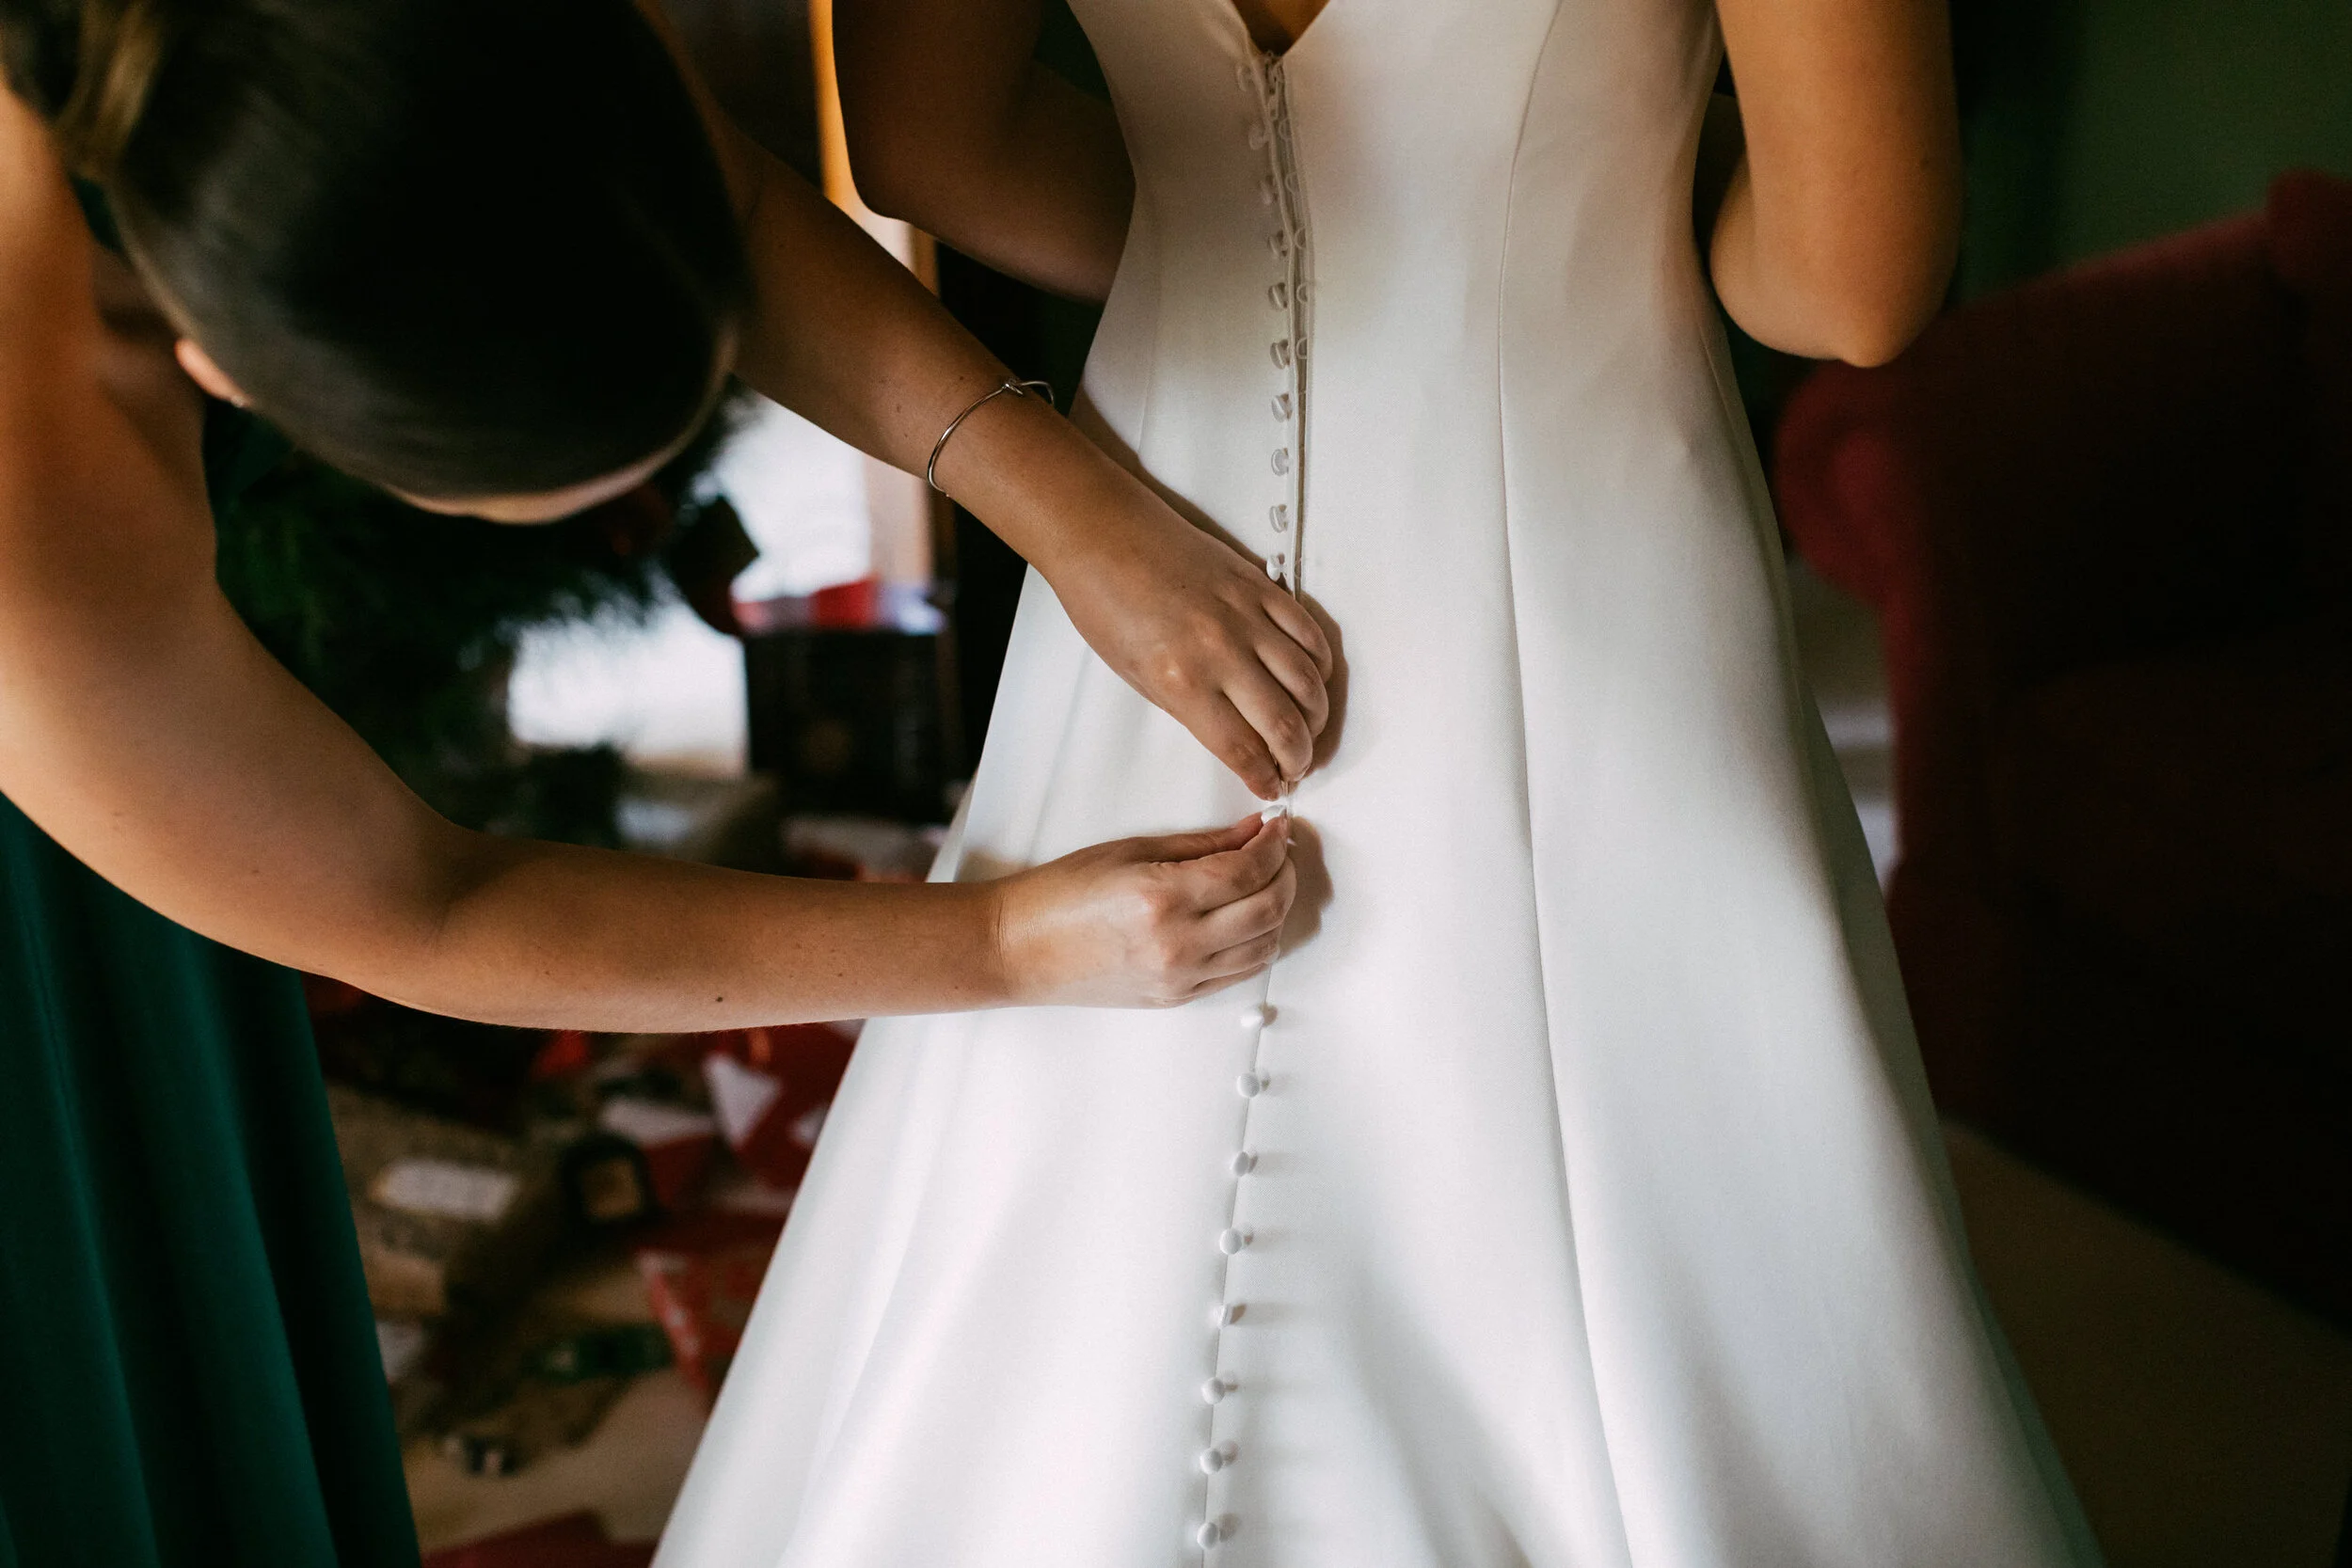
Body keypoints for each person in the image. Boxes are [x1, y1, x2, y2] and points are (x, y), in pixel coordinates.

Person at [649, 0, 2109, 1563]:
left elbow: (930, 142)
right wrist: (1590, 214)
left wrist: (1226, 237)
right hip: (1572, 498)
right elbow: (1851, 276)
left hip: (1149, 538)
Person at [0, 0, 1337, 1556]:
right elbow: (424, 906)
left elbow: (729, 207)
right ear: (222, 372)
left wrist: (1073, 509)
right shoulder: (34, 526)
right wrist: (996, 942)